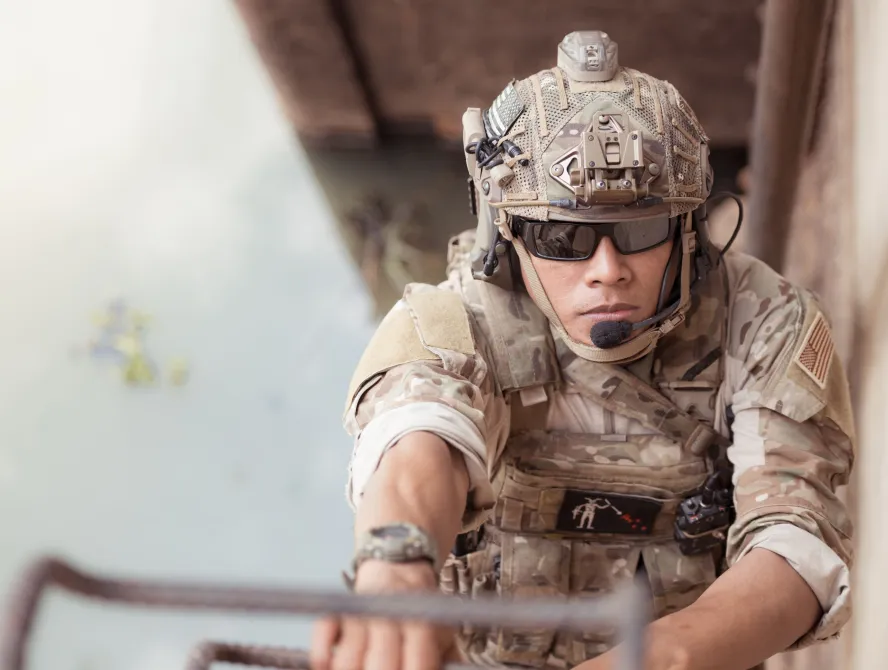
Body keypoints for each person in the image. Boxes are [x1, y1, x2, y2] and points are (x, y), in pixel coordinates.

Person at [310, 31, 854, 670]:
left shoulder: (762, 322)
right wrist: (396, 563)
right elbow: (417, 437)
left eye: (639, 230)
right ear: (509, 237)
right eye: (563, 237)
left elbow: (795, 546)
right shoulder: (459, 320)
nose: (606, 270)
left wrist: (663, 657)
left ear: (686, 230)